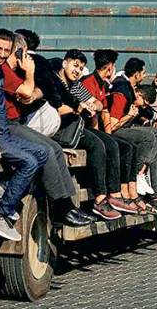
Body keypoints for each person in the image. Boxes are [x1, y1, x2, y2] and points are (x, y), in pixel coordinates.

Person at [0, 34, 93, 228]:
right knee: (47, 151)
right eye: (24, 54)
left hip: (16, 124)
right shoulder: (6, 71)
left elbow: (41, 89)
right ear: (18, 52)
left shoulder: (17, 71)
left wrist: (34, 89)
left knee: (55, 148)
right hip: (7, 125)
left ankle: (68, 205)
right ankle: (60, 206)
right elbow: (26, 92)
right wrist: (30, 73)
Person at [0, 29, 51, 241]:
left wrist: (5, 135)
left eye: (6, 50)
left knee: (42, 152)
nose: (2, 54)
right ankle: (0, 215)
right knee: (30, 163)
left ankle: (3, 190)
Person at [51, 49, 131, 219]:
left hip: (75, 127)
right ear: (65, 63)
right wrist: (76, 108)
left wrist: (93, 105)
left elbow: (97, 103)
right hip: (60, 129)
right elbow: (56, 108)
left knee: (111, 143)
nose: (77, 70)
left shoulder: (76, 84)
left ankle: (115, 195)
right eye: (75, 65)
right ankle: (100, 199)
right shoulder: (55, 81)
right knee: (97, 146)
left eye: (80, 68)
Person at [79, 49, 153, 214]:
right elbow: (93, 116)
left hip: (97, 129)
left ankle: (128, 192)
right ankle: (113, 194)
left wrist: (108, 134)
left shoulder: (103, 84)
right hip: (84, 128)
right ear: (110, 67)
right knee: (110, 146)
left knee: (128, 147)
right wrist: (104, 135)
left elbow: (104, 111)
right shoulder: (89, 82)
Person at [107, 57, 157, 213]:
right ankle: (139, 173)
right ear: (136, 74)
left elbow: (144, 108)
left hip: (126, 126)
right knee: (150, 136)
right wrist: (132, 116)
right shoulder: (122, 87)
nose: (144, 76)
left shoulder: (130, 86)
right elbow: (113, 124)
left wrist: (154, 117)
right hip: (119, 129)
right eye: (143, 72)